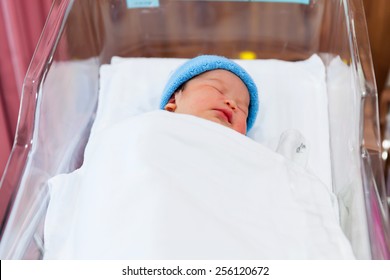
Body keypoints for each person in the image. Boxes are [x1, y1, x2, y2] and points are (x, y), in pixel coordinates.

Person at [159, 55, 259, 135]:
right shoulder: (153, 131)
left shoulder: (247, 153)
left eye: (242, 109)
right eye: (218, 89)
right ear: (173, 101)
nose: (232, 103)